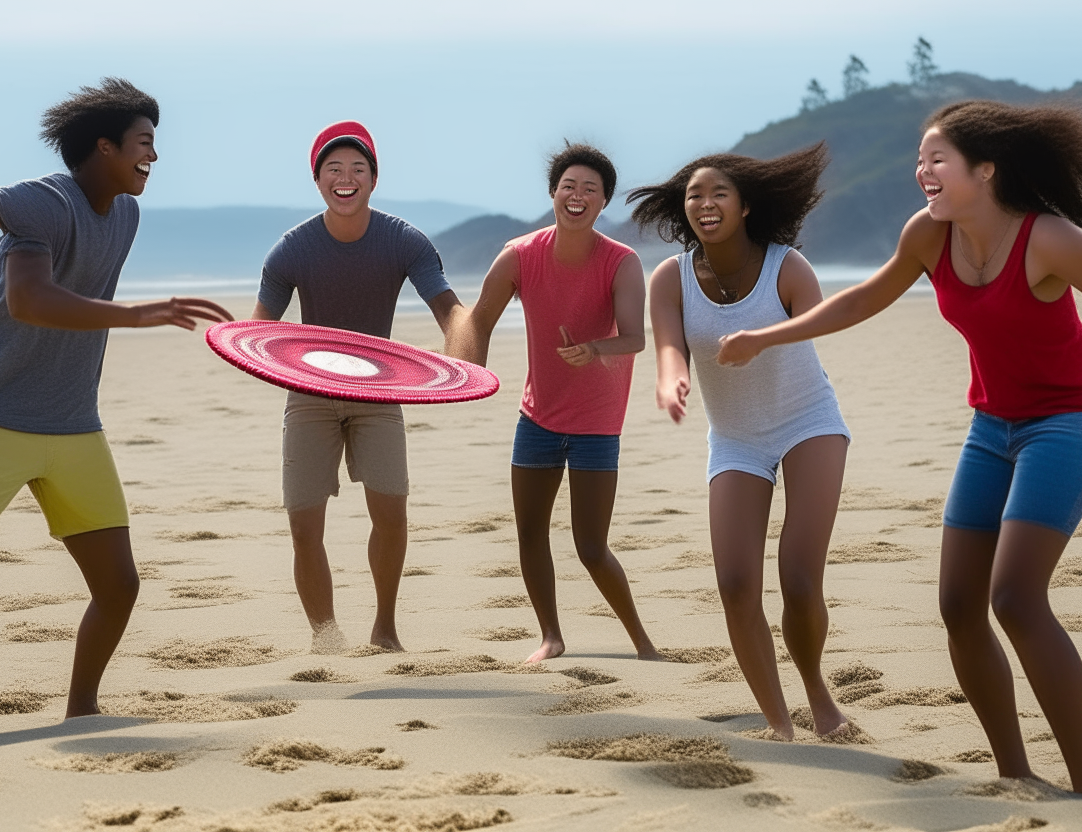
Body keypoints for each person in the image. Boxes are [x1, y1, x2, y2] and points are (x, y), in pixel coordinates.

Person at [717, 100, 1082, 793]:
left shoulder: (1048, 238)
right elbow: (862, 299)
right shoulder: (929, 236)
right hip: (991, 428)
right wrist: (766, 335)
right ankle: (1017, 773)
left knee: (1016, 597)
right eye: (920, 159)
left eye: (938, 159)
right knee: (960, 605)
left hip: (1070, 421)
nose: (922, 170)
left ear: (985, 170)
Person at [0, 80, 233, 736]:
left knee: (118, 586)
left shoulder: (127, 217)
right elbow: (3, 261)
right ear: (104, 147)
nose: (154, 158)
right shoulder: (46, 201)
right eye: (144, 144)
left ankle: (81, 710)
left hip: (74, 425)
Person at [628, 144, 851, 739]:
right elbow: (669, 344)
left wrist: (763, 336)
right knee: (734, 584)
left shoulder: (786, 267)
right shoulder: (670, 278)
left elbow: (818, 319)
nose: (705, 203)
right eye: (694, 195)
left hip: (809, 422)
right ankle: (780, 725)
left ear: (746, 206)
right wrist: (670, 377)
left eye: (719, 193)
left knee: (800, 580)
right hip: (735, 440)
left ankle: (817, 693)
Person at [252, 121, 464, 654]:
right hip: (309, 393)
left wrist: (460, 359)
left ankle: (385, 628)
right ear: (318, 179)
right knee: (304, 525)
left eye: (357, 169)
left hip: (378, 390)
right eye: (334, 170)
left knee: (391, 513)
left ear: (373, 178)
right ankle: (325, 637)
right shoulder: (291, 250)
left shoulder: (404, 240)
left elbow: (451, 310)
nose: (345, 179)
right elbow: (259, 332)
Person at [450, 143, 661, 663]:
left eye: (590, 189)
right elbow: (478, 320)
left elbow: (635, 337)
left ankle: (642, 641)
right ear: (552, 194)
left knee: (591, 547)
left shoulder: (622, 263)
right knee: (531, 535)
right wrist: (458, 372)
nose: (578, 195)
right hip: (537, 417)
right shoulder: (521, 255)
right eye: (569, 186)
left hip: (596, 423)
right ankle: (551, 636)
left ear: (604, 201)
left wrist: (593, 349)